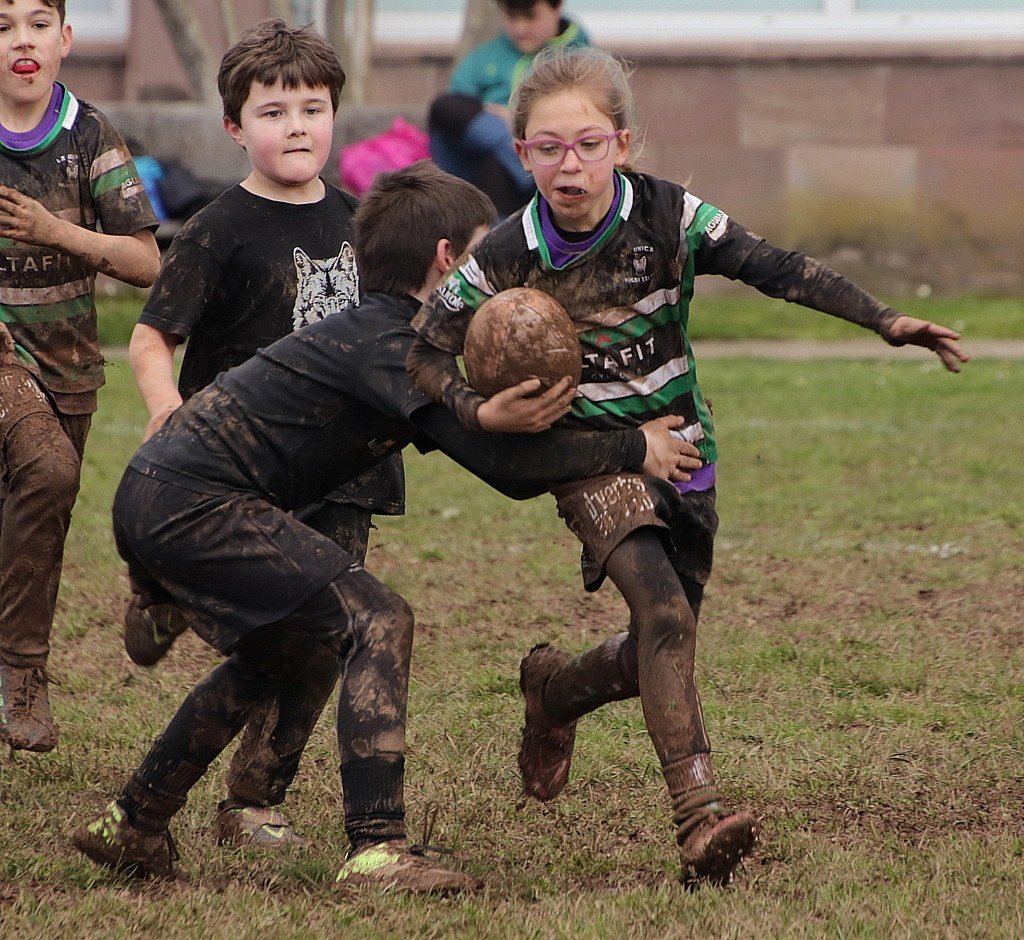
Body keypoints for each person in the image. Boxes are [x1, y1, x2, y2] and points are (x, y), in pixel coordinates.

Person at [406, 47, 970, 888]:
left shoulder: (671, 217)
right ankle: (699, 816)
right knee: (664, 614)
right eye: (551, 147)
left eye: (590, 144)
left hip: (685, 450)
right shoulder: (504, 255)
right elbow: (422, 354)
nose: (571, 165)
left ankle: (554, 694)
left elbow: (776, 267)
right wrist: (478, 411)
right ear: (521, 153)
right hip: (589, 462)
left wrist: (884, 320)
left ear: (623, 144)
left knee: (657, 648)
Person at [72, 160, 701, 891]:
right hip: (192, 502)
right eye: (483, 255)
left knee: (283, 655)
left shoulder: (396, 340)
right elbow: (502, 465)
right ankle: (376, 851)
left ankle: (133, 822)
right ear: (446, 260)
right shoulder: (392, 343)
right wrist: (635, 447)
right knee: (380, 619)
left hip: (161, 496)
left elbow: (499, 454)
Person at [124, 19, 405, 850]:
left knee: (326, 643)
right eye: (274, 111)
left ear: (334, 117)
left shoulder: (363, 224)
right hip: (240, 473)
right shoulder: (218, 230)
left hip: (345, 471)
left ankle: (253, 799)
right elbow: (151, 337)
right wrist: (164, 409)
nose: (296, 127)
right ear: (235, 127)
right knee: (274, 641)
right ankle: (163, 589)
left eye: (312, 109)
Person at [0, 0, 160, 753]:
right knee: (49, 468)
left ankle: (17, 671)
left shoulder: (90, 134)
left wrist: (54, 230)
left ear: (65, 39)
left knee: (39, 517)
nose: (20, 42)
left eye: (36, 23)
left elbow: (143, 260)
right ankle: (22, 669)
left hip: (68, 362)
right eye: (1, 26)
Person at [429, 0, 589, 216]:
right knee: (445, 107)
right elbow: (457, 111)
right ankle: (518, 153)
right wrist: (500, 125)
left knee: (494, 167)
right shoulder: (484, 56)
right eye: (512, 18)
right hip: (475, 164)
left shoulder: (584, 60)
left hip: (547, 160)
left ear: (557, 8)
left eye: (531, 17)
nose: (520, 28)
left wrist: (518, 121)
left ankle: (493, 239)